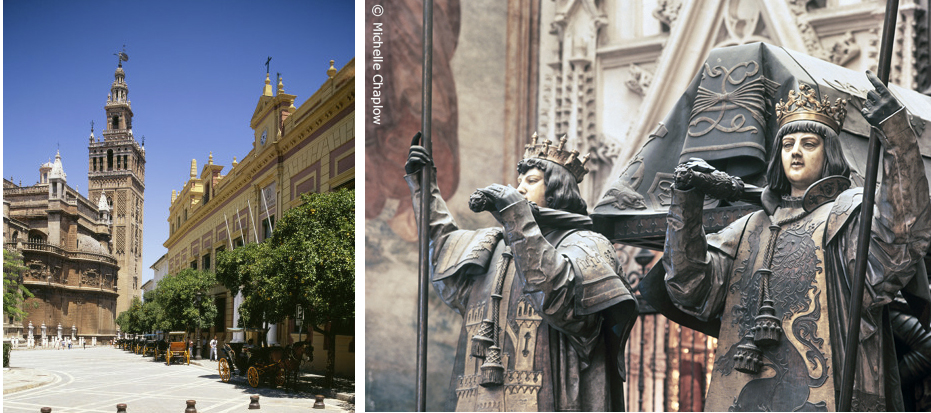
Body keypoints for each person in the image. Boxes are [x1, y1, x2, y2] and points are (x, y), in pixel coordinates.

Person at [661, 71, 931, 411]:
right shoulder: (748, 228)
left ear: (829, 151)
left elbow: (903, 237)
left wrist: (896, 134)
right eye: (787, 144)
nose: (796, 153)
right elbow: (689, 286)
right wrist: (685, 199)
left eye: (809, 143)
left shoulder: (847, 215)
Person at [405, 132, 638, 411]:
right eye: (519, 182)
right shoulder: (494, 245)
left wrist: (517, 215)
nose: (520, 189)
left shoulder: (587, 243)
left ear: (558, 189)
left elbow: (559, 302)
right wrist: (424, 186)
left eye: (531, 181)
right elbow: (441, 247)